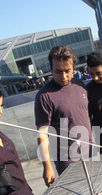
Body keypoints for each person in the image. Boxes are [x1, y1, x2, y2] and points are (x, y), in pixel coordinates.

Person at [34, 46, 93, 187]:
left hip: (91, 151)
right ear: (50, 68)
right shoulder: (44, 96)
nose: (64, 76)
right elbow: (42, 134)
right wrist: (47, 166)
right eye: (58, 72)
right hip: (67, 160)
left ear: (74, 67)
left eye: (68, 71)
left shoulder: (80, 85)